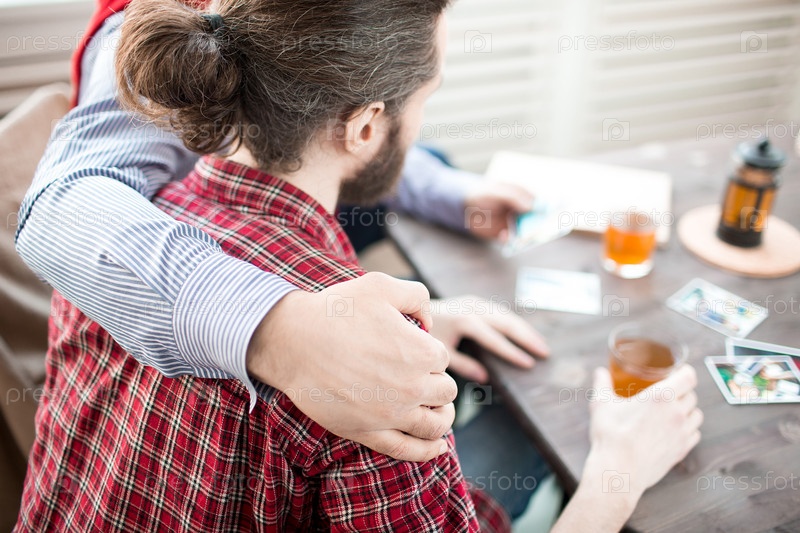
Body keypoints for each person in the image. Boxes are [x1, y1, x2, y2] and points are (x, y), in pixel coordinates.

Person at [17, 0, 703, 530]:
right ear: (368, 126)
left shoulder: (115, 234)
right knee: (528, 436)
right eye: (426, 98)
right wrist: (616, 474)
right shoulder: (367, 384)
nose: (422, 124)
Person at [13, 0, 536, 463]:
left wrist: (446, 190)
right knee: (519, 437)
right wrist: (282, 332)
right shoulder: (138, 33)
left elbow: (323, 108)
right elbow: (61, 211)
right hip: (200, 319)